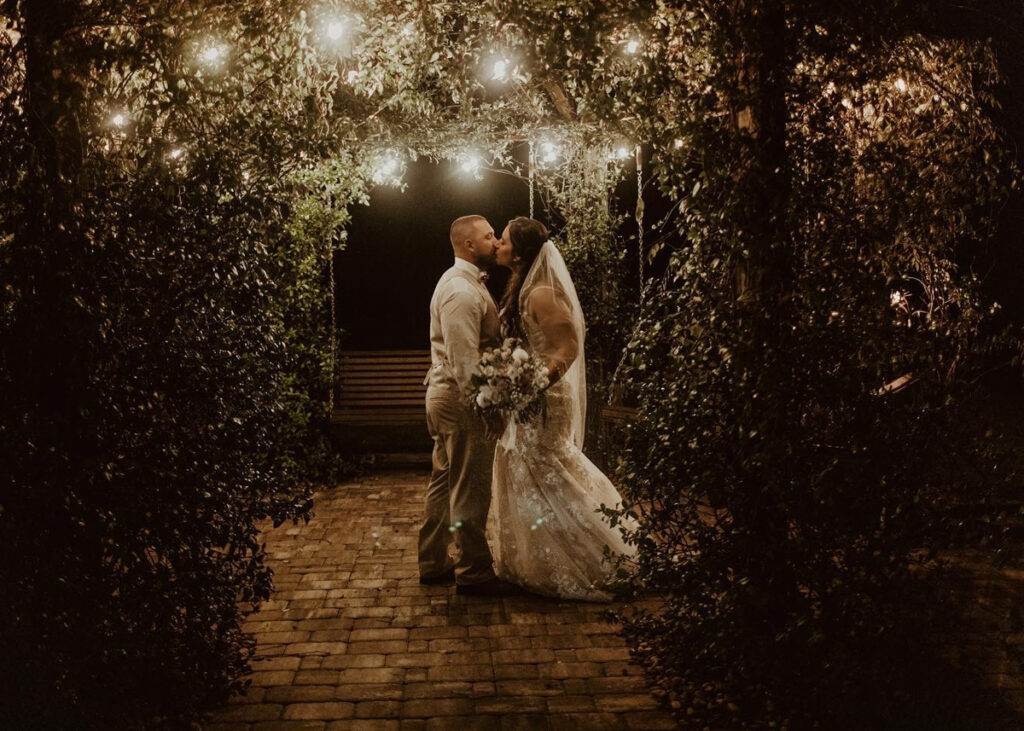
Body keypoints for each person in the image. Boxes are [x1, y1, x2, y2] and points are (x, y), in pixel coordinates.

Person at [488, 217, 636, 601]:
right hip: (528, 396)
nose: (497, 246)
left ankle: (606, 555)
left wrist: (533, 383)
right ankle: (539, 557)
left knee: (554, 471)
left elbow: (566, 349)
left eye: (502, 241)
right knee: (526, 470)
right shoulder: (522, 288)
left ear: (518, 252)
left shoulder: (541, 293)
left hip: (546, 400)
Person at [419, 214, 519, 596]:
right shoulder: (461, 291)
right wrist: (487, 405)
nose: (495, 242)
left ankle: (432, 562)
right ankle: (474, 570)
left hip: (446, 397)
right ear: (468, 246)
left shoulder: (462, 282)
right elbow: (464, 362)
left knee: (445, 483)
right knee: (470, 486)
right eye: (489, 236)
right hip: (460, 400)